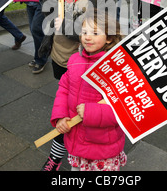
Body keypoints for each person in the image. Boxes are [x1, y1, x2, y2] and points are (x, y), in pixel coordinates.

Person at [40, 0, 117, 170]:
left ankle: (56, 157)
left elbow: (107, 25)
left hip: (85, 63)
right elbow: (46, 10)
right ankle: (62, 153)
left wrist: (66, 26)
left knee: (78, 114)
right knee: (64, 107)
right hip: (59, 57)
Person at [50, 9, 125, 171]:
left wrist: (91, 112)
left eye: (95, 32)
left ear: (109, 38)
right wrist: (60, 116)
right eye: (84, 31)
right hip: (76, 139)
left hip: (102, 146)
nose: (87, 37)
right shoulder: (74, 60)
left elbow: (124, 106)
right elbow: (63, 88)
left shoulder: (116, 67)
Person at [25, 0, 57, 73]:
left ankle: (41, 59)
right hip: (29, 0)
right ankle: (38, 56)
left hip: (42, 1)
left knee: (36, 29)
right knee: (35, 31)